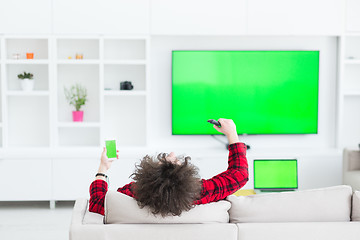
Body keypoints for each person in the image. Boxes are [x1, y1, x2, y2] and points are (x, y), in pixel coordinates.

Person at [89, 118, 248, 216]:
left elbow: (97, 203)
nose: (172, 152)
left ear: (148, 176)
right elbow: (239, 174)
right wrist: (232, 134)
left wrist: (103, 167)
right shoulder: (199, 193)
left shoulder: (131, 194)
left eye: (166, 158)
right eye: (174, 160)